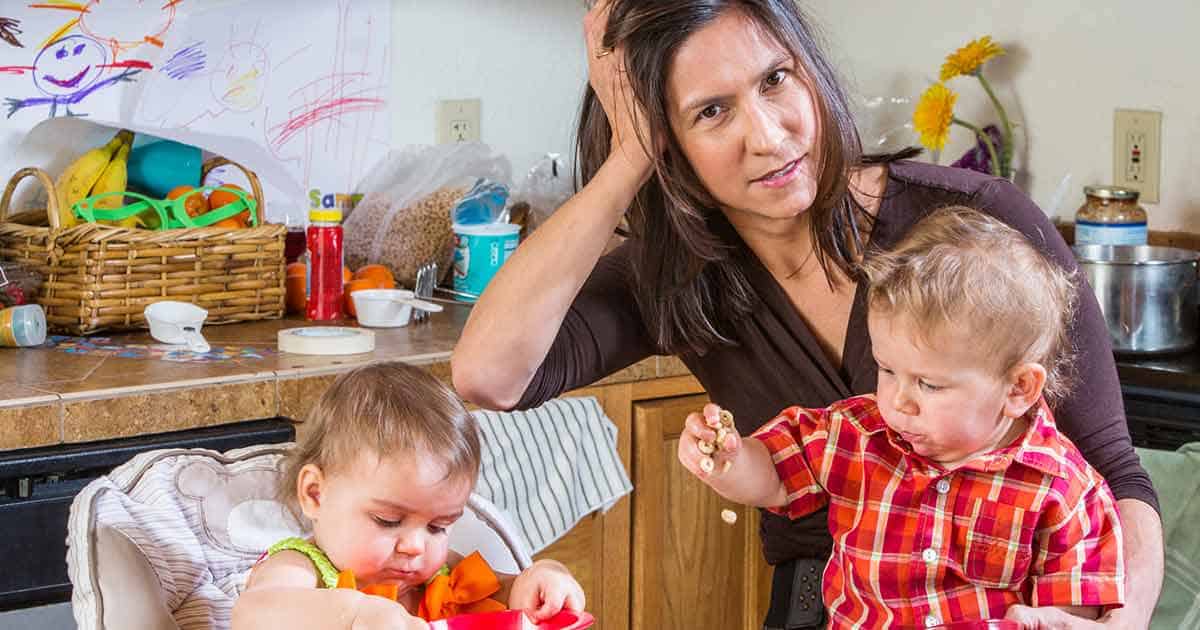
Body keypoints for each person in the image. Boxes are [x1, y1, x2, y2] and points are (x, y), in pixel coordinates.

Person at [451, 1, 1163, 628]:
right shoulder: (675, 276)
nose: (768, 135)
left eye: (774, 79)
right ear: (666, 142)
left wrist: (1112, 624)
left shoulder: (978, 227)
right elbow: (487, 375)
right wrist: (626, 158)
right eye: (711, 111)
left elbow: (1115, 474)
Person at [678, 206, 1125, 628]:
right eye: (888, 371)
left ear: (1018, 389)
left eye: (929, 385)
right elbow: (773, 475)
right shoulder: (856, 434)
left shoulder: (1065, 492)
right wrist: (731, 460)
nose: (900, 402)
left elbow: (1069, 615)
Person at [232, 362, 585, 630]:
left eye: (438, 527)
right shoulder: (301, 567)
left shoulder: (439, 574)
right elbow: (252, 613)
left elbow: (511, 588)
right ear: (315, 494)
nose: (416, 546)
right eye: (389, 521)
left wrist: (544, 579)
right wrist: (354, 615)